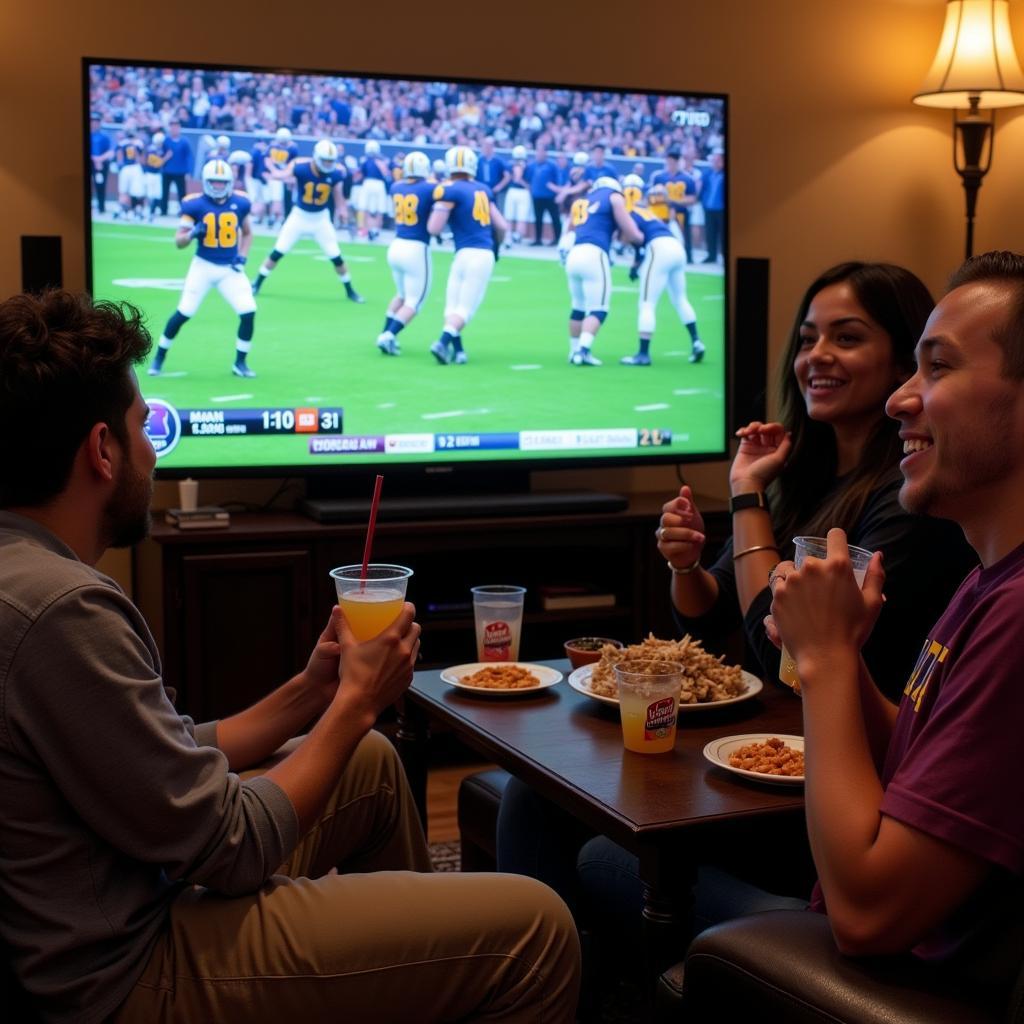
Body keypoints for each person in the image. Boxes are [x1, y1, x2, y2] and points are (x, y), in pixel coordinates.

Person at [0, 289, 582, 1023]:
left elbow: (153, 762)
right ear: (102, 450)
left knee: (368, 764)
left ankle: (415, 981)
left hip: (121, 893)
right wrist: (355, 705)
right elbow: (232, 845)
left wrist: (313, 693)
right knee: (535, 927)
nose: (152, 449)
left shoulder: (24, 570)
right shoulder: (62, 608)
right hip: (125, 971)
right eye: (143, 427)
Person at [757, 248, 1024, 986]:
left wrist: (827, 661)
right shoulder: (986, 581)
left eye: (937, 369)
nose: (900, 400)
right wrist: (832, 650)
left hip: (910, 983)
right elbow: (915, 759)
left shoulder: (1017, 615)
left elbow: (866, 916)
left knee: (594, 862)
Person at [657, 261, 975, 701]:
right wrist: (685, 564)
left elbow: (786, 662)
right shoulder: (798, 474)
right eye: (808, 339)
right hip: (774, 743)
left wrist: (747, 494)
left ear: (905, 362)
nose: (816, 355)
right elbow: (710, 617)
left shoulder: (910, 496)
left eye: (847, 337)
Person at [148, 159, 258, 378]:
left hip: (229, 269)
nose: (218, 186)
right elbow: (179, 242)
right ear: (206, 182)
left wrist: (242, 257)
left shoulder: (241, 202)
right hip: (203, 267)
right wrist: (192, 234)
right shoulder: (194, 204)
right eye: (214, 182)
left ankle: (240, 363)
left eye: (222, 182)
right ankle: (160, 355)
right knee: (184, 312)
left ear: (230, 182)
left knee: (248, 311)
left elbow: (247, 233)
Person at [250, 140, 364, 304]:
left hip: (321, 219)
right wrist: (271, 166)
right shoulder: (301, 167)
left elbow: (338, 197)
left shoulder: (337, 173)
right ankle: (257, 283)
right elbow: (281, 176)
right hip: (299, 217)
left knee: (336, 256)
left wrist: (343, 213)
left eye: (331, 161)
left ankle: (350, 290)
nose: (328, 164)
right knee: (278, 251)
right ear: (317, 157)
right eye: (325, 160)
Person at [426, 145, 507, 365]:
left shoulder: (449, 189)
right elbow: (501, 225)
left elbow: (434, 228)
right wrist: (496, 246)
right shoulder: (483, 189)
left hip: (462, 253)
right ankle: (447, 345)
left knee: (453, 306)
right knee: (464, 309)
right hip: (482, 254)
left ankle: (453, 348)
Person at [619, 184, 705, 366]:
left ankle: (643, 354)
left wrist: (635, 262)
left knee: (646, 303)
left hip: (658, 249)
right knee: (680, 299)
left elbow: (636, 239)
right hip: (675, 247)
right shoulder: (645, 211)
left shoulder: (627, 214)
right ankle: (696, 341)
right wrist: (637, 264)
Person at [563, 176, 643, 366]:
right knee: (599, 308)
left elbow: (570, 230)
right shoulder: (614, 196)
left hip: (574, 253)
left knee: (578, 306)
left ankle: (573, 350)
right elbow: (629, 229)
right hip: (594, 253)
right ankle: (583, 351)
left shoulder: (583, 200)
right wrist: (641, 238)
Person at [376, 151, 436, 355]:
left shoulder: (396, 186)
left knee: (401, 295)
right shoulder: (430, 188)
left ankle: (384, 332)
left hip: (396, 245)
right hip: (416, 248)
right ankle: (388, 335)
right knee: (414, 302)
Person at [159, 120, 191, 217]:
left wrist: (188, 171)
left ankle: (183, 211)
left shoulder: (184, 142)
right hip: (167, 171)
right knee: (164, 192)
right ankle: (163, 210)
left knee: (182, 193)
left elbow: (188, 157)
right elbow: (161, 154)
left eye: (176, 127)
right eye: (172, 127)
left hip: (180, 172)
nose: (174, 129)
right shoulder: (166, 141)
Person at [702, 148, 725, 264]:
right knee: (710, 233)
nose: (716, 162)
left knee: (723, 234)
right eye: (714, 160)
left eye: (718, 160)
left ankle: (725, 256)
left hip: (722, 209)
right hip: (709, 208)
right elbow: (703, 189)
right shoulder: (708, 174)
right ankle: (711, 255)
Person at [89, 113, 115, 214]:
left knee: (100, 184)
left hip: (101, 164)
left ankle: (101, 206)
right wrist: (94, 159)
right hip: (91, 162)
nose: (94, 124)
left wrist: (100, 159)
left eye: (96, 122)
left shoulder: (104, 136)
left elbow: (110, 151)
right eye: (92, 122)